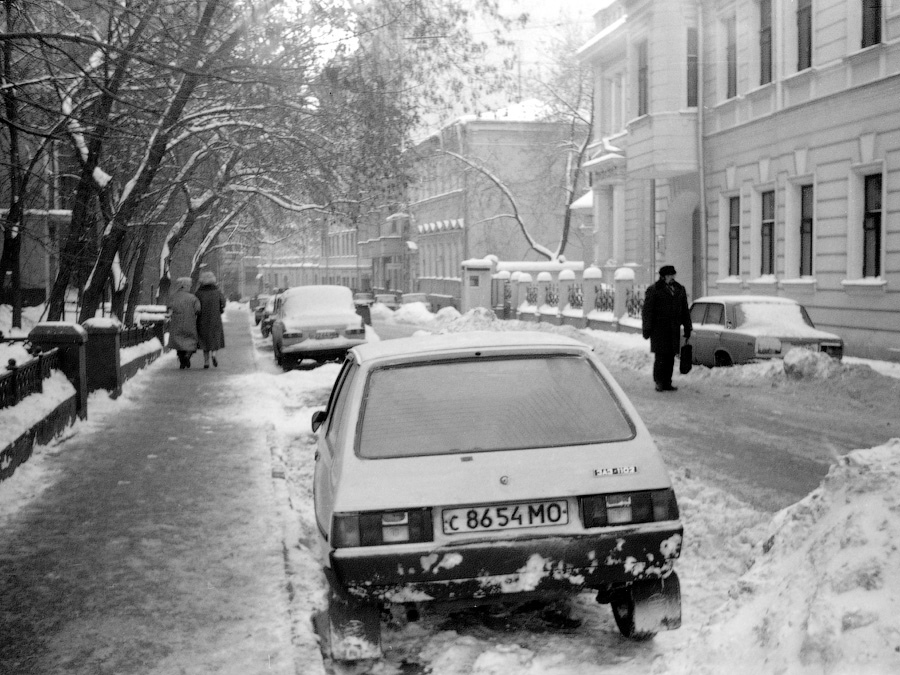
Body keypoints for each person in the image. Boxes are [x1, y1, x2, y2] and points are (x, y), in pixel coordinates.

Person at [642, 265, 692, 392]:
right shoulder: (654, 290)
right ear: (663, 277)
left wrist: (687, 327)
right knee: (660, 357)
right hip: (659, 330)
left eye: (673, 275)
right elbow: (647, 311)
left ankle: (667, 381)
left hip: (673, 329)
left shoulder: (679, 289)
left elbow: (685, 311)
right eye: (669, 275)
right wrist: (647, 328)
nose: (672, 277)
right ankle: (659, 381)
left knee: (670, 357)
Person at [167, 277, 201, 369]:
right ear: (186, 286)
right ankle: (188, 355)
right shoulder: (193, 298)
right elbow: (198, 309)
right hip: (190, 322)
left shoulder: (174, 297)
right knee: (190, 341)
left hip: (177, 322)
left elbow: (169, 308)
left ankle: (182, 360)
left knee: (178, 342)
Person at [195, 270, 226, 369]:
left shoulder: (199, 293)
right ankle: (214, 355)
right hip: (215, 319)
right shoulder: (217, 292)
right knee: (215, 339)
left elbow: (195, 305)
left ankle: (206, 362)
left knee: (204, 341)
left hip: (202, 319)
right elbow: (223, 303)